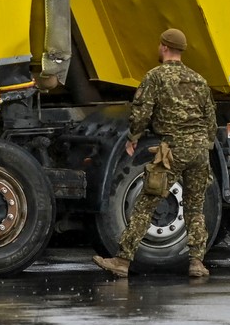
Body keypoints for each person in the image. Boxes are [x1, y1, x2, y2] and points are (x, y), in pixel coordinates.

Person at [93, 27, 217, 280]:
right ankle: (196, 263)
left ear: (163, 47)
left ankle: (122, 261)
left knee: (146, 204)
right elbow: (211, 120)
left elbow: (142, 113)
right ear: (181, 51)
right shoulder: (199, 80)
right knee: (195, 207)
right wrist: (205, 145)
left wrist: (133, 138)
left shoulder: (156, 77)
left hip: (170, 150)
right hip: (200, 150)